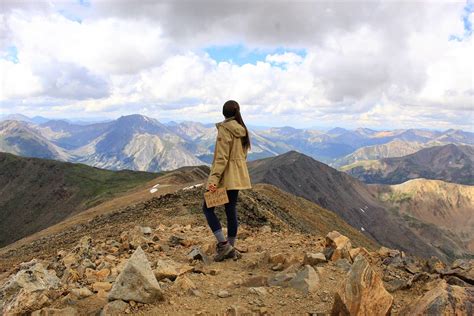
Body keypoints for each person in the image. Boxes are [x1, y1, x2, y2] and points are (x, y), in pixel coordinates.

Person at [203, 100, 252, 262]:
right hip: (237, 176)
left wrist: (214, 179)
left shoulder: (225, 129)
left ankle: (224, 246)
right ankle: (231, 246)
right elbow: (243, 155)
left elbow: (221, 158)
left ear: (223, 112)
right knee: (230, 209)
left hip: (225, 176)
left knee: (207, 209)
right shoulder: (242, 129)